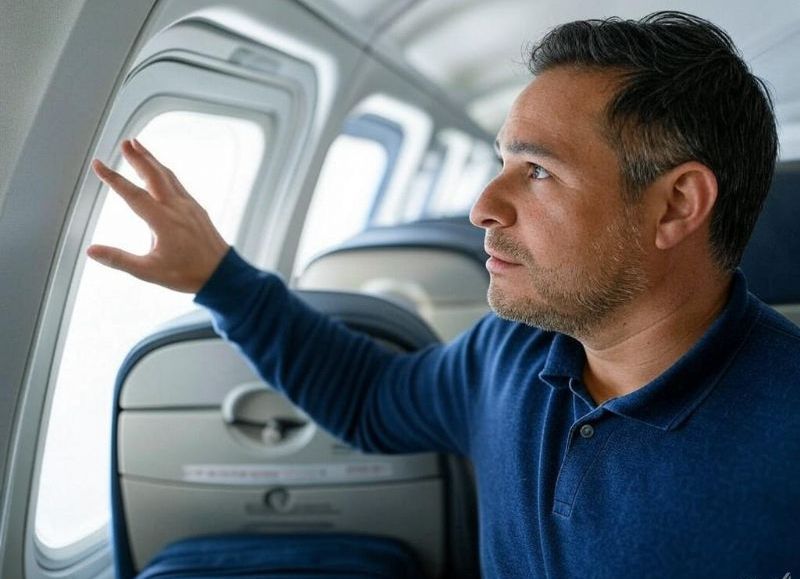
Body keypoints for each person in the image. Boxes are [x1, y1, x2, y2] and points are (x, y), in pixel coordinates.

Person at [89, 11, 799, 578]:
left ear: (676, 205)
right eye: (501, 162)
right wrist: (220, 278)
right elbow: (370, 400)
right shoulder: (513, 353)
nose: (483, 205)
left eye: (538, 171)